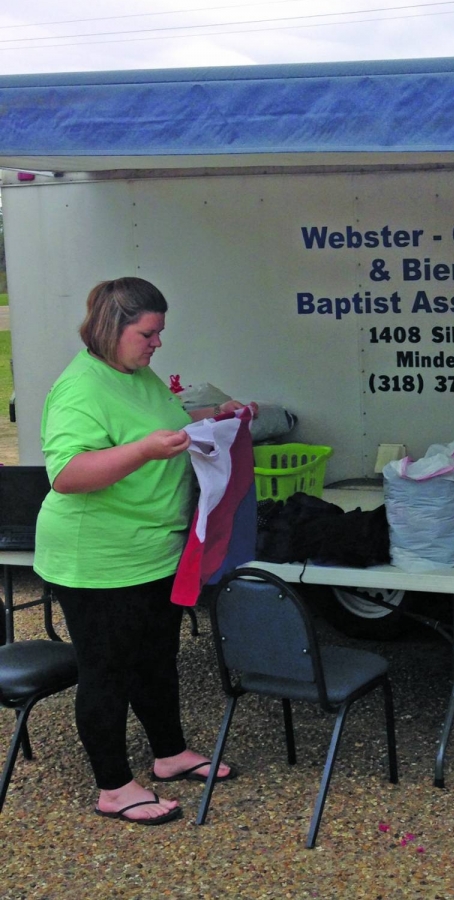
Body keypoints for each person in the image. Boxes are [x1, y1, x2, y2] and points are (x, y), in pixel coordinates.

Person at [35, 277, 258, 825]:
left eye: (160, 333)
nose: (158, 343)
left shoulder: (137, 373)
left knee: (157, 660)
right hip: (98, 559)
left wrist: (210, 422)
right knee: (107, 669)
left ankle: (169, 753)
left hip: (153, 550)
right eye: (149, 333)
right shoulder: (80, 387)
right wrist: (143, 450)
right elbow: (67, 474)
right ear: (113, 328)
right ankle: (112, 786)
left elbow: (166, 428)